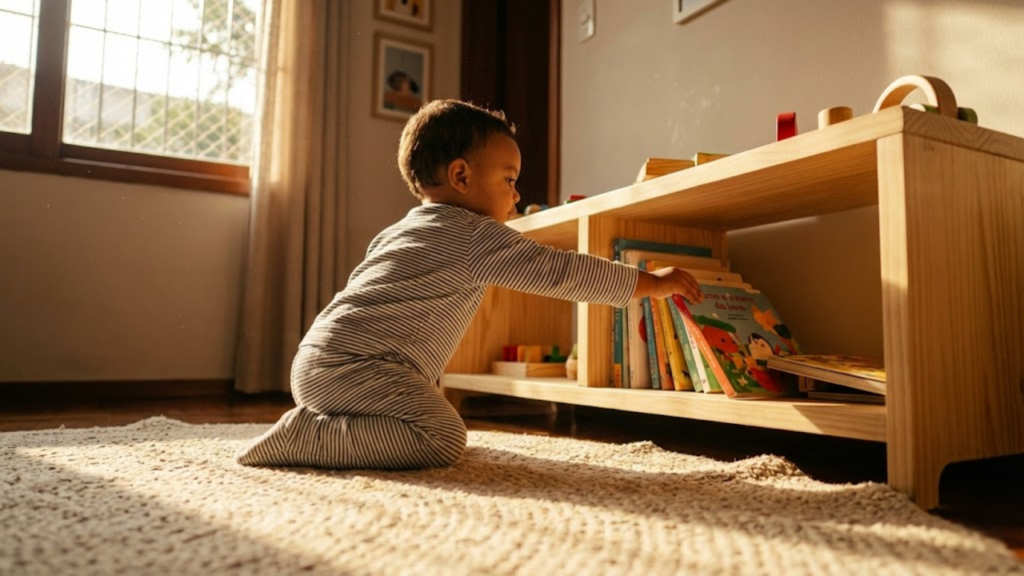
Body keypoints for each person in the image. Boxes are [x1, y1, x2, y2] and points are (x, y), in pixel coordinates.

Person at [235, 99, 703, 470]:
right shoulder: (473, 233)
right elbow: (559, 271)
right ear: (461, 176)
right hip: (356, 368)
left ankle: (325, 423)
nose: (517, 194)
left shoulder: (403, 228)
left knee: (422, 417)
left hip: (323, 359)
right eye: (509, 179)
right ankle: (308, 436)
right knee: (441, 438)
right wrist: (649, 283)